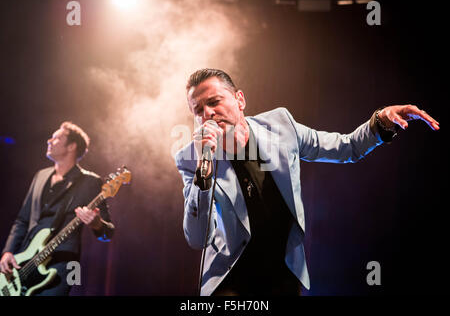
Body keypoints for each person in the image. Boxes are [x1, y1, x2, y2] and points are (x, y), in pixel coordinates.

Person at [174, 68, 440, 296]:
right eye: (198, 110)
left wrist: (380, 120)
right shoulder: (190, 159)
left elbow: (346, 148)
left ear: (239, 99)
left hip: (282, 271)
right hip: (230, 278)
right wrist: (203, 171)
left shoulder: (281, 126)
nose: (207, 113)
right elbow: (198, 238)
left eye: (215, 101)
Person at [0, 121, 115, 295]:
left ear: (72, 146)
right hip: (24, 262)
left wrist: (97, 224)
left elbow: (109, 232)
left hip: (63, 266)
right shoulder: (40, 176)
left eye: (56, 138)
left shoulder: (90, 182)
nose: (49, 141)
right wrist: (8, 251)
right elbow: (22, 220)